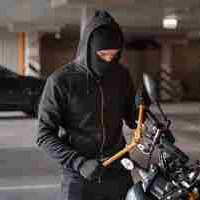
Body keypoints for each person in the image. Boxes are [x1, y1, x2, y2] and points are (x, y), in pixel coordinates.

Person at [36, 10, 138, 200]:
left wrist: (146, 117)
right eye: (103, 54)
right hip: (79, 176)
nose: (109, 60)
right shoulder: (61, 81)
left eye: (114, 55)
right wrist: (79, 162)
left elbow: (132, 117)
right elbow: (44, 135)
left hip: (118, 171)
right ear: (88, 49)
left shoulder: (121, 75)